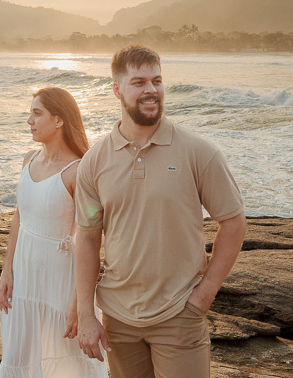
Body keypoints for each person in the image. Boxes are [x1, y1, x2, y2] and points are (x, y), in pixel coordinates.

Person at [75, 45, 247, 378]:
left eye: (157, 81)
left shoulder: (198, 152)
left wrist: (205, 293)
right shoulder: (95, 162)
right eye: (138, 82)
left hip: (179, 314)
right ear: (117, 89)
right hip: (118, 318)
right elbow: (87, 238)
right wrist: (86, 314)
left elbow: (234, 222)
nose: (151, 90)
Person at [0, 87, 108, 378]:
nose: (29, 121)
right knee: (19, 352)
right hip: (24, 274)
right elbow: (19, 217)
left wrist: (79, 306)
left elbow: (91, 240)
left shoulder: (78, 171)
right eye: (29, 113)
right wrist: (6, 271)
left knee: (67, 361)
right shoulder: (28, 159)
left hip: (60, 280)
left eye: (37, 113)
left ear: (58, 120)